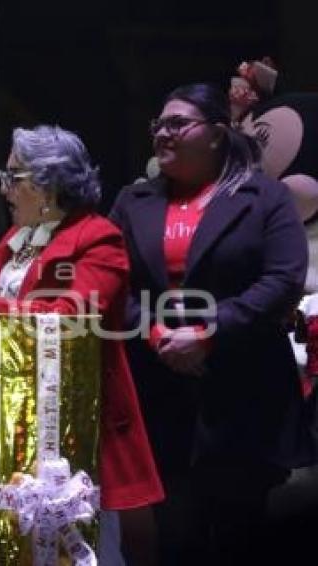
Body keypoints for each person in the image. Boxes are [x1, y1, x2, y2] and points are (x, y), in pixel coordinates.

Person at [109, 83, 312, 564]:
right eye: (158, 124)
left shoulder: (264, 197)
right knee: (177, 536)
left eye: (177, 123)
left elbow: (284, 278)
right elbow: (114, 283)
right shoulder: (133, 199)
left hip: (246, 393)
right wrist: (155, 333)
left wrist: (208, 332)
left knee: (247, 537)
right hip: (161, 391)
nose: (163, 132)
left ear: (218, 134)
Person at [0, 124, 164, 563]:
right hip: (14, 411)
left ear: (46, 183)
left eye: (14, 176)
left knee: (84, 535)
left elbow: (75, 318)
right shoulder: (17, 240)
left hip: (79, 413)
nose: (5, 188)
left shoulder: (97, 237)